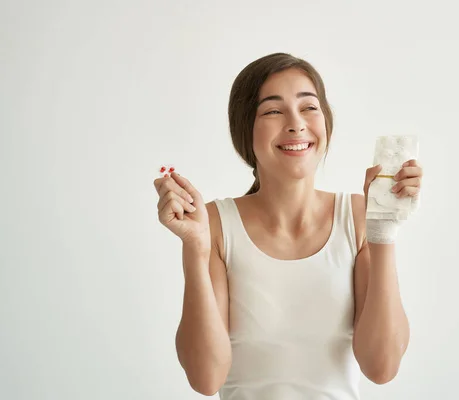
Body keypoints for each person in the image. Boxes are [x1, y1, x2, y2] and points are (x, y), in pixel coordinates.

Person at [153, 53, 424, 399]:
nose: (296, 124)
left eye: (309, 107)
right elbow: (206, 379)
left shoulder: (356, 216)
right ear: (245, 129)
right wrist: (195, 247)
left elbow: (381, 367)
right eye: (273, 110)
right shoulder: (215, 225)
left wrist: (383, 225)